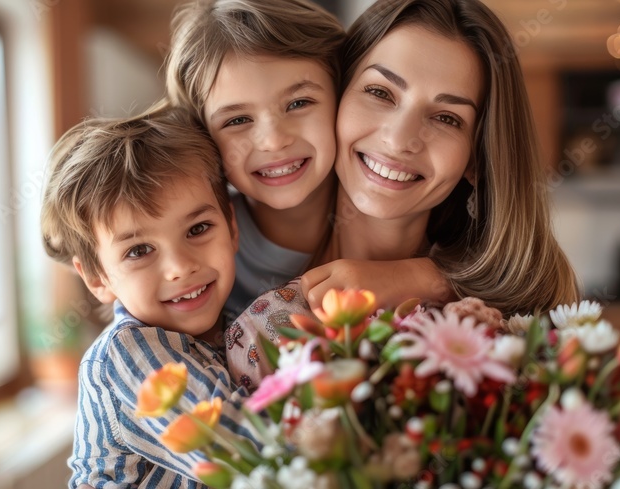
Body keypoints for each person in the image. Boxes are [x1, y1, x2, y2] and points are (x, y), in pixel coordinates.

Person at [227, 0, 581, 388]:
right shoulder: (217, 248)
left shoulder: (499, 330)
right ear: (335, 98)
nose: (399, 140)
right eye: (380, 92)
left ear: (476, 159)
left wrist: (410, 279)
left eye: (447, 118)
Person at [164, 0, 453, 323]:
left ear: (343, 95)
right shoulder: (197, 245)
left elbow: (498, 272)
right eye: (237, 120)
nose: (274, 140)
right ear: (204, 136)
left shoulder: (391, 206)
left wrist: (422, 276)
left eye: (299, 103)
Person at [41, 104, 255, 488]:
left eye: (198, 228)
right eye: (139, 251)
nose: (179, 267)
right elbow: (247, 454)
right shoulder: (125, 354)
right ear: (96, 278)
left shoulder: (236, 323)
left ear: (232, 228)